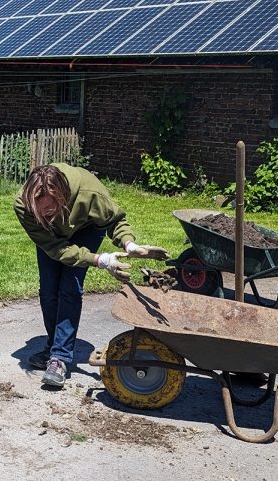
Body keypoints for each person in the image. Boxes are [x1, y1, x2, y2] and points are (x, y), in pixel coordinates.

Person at [14, 163, 167, 389]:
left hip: (86, 227)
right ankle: (53, 346)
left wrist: (129, 243)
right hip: (52, 239)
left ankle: (59, 358)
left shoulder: (90, 192)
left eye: (48, 209)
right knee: (48, 290)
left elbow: (115, 220)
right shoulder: (23, 205)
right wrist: (100, 260)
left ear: (62, 197)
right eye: (38, 211)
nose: (43, 214)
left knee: (70, 287)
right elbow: (56, 249)